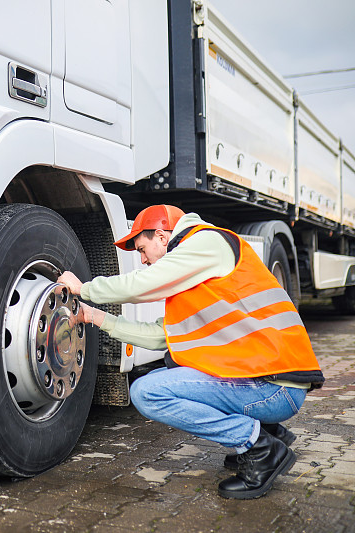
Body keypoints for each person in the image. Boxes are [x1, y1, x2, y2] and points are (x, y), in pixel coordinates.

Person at [57, 204, 324, 500]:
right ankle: (269, 431)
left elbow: (146, 284)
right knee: (178, 370)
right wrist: (95, 317)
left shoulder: (205, 241)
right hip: (273, 382)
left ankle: (260, 448)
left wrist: (84, 289)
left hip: (275, 386)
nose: (143, 260)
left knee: (148, 393)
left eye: (142, 250)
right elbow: (161, 336)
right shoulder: (196, 275)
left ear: (161, 236)